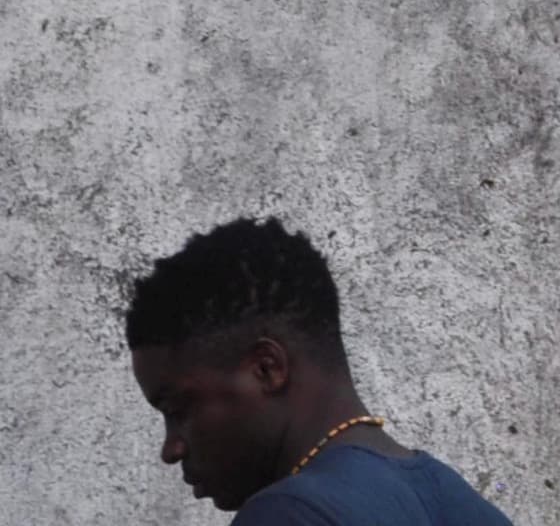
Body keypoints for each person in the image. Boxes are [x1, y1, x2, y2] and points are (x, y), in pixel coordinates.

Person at [124, 218, 513, 522]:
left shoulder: (292, 514)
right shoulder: (457, 499)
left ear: (266, 368)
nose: (171, 449)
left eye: (177, 410)